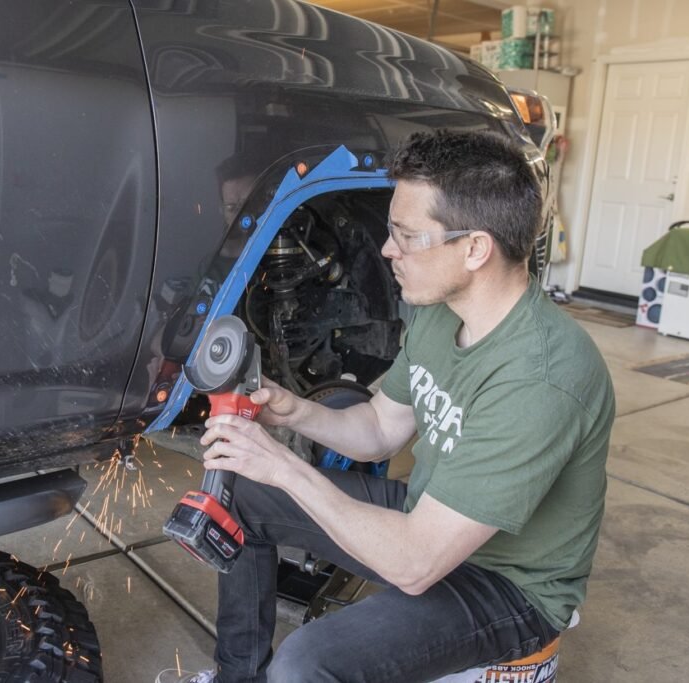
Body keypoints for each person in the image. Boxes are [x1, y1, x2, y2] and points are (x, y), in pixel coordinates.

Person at [156, 129, 615, 683]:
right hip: (430, 516)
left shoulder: (542, 378)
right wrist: (293, 412)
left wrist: (288, 467)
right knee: (248, 496)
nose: (387, 248)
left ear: (475, 248)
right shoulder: (442, 312)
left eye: (407, 235)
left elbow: (414, 564)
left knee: (307, 662)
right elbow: (378, 428)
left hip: (509, 584)